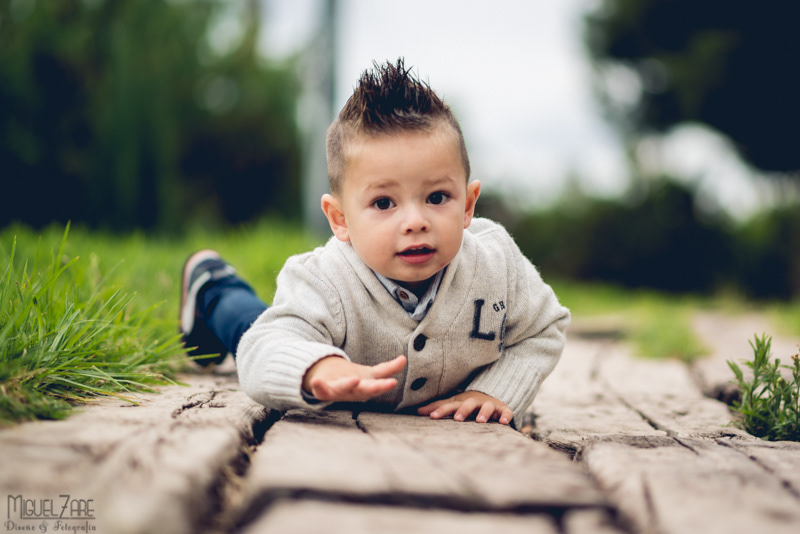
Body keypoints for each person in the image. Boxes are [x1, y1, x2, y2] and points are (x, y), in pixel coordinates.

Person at [179, 59, 570, 428]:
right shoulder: (324, 281)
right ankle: (213, 286)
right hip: (311, 345)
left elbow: (542, 329)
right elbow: (264, 346)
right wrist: (316, 369)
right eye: (384, 203)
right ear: (340, 219)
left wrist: (494, 390)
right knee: (250, 326)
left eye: (437, 197)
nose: (415, 222)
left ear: (468, 205)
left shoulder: (496, 263)